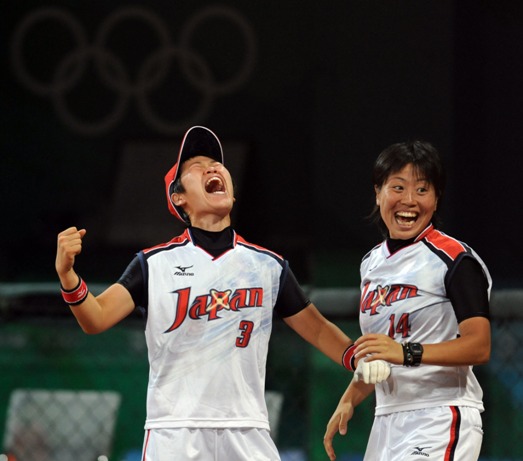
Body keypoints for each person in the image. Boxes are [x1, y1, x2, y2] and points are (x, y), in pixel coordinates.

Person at [55, 126, 389, 461]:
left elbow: (316, 328)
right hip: (175, 430)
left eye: (217, 163)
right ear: (178, 197)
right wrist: (67, 274)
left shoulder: (268, 266)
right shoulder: (153, 264)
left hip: (247, 429)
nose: (213, 168)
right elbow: (95, 318)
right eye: (197, 166)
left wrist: (357, 358)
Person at [323, 140, 492, 461]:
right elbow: (383, 354)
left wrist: (405, 352)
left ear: (437, 198)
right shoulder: (370, 263)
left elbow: (479, 346)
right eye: (397, 187)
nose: (409, 201)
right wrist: (350, 397)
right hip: (387, 418)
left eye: (423, 190)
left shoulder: (455, 259)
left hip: (440, 414)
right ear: (378, 192)